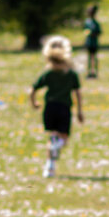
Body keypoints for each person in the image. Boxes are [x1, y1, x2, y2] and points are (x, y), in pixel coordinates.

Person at [30, 35, 85, 178]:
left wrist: (34, 102)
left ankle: (49, 167)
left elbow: (33, 88)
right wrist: (79, 111)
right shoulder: (71, 74)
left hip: (50, 108)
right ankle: (56, 150)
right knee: (63, 138)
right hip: (64, 108)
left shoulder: (48, 73)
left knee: (52, 137)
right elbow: (77, 93)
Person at [81, 2, 102, 78]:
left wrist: (94, 34)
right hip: (89, 42)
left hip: (94, 43)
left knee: (95, 58)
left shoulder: (96, 23)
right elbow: (85, 30)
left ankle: (95, 72)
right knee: (89, 58)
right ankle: (89, 72)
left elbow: (99, 32)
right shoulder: (87, 22)